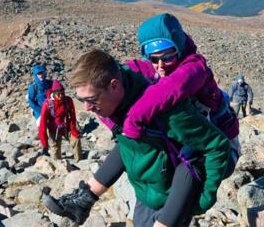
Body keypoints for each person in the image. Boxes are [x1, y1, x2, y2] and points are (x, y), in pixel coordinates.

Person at [43, 49, 230, 226]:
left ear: (114, 86)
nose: (86, 108)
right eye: (82, 100)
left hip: (172, 204)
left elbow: (217, 145)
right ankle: (81, 203)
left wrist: (206, 198)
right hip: (145, 197)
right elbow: (126, 147)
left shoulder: (166, 112)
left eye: (91, 100)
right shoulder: (118, 104)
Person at [123, 12, 240, 178]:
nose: (160, 66)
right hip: (192, 142)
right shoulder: (158, 66)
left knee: (185, 171)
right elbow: (124, 72)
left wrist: (133, 119)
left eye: (168, 57)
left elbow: (172, 87)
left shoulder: (196, 69)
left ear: (179, 48)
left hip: (223, 152)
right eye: (154, 59)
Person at [38, 80, 82, 161]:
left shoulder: (68, 100)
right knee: (55, 155)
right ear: (54, 94)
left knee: (76, 140)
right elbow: (42, 125)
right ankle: (60, 167)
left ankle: (80, 161)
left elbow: (72, 116)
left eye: (62, 93)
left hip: (66, 127)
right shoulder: (47, 105)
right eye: (58, 94)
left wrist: (73, 129)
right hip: (54, 130)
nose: (61, 95)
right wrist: (44, 145)